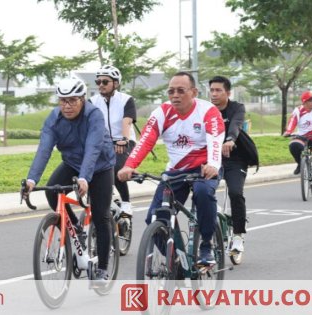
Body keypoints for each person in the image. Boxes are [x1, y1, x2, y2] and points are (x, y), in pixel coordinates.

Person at [118, 72, 225, 265]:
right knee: (153, 219)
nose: (175, 95)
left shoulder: (208, 111)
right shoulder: (161, 113)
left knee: (203, 193)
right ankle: (176, 261)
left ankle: (207, 245)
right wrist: (129, 165)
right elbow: (145, 141)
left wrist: (213, 165)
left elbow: (216, 141)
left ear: (194, 92)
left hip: (204, 169)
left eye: (180, 91)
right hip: (175, 172)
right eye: (171, 91)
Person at [24, 78, 116, 285]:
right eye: (62, 100)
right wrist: (31, 179)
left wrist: (84, 178)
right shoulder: (54, 119)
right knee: (52, 190)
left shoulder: (94, 115)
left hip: (100, 166)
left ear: (83, 99)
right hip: (72, 163)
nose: (67, 105)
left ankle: (102, 268)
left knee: (101, 216)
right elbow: (44, 150)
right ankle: (76, 227)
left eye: (72, 100)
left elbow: (93, 148)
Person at [90, 65, 137, 217]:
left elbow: (127, 122)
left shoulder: (126, 100)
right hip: (102, 142)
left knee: (115, 167)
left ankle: (126, 203)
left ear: (115, 84)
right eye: (98, 82)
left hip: (122, 141)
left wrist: (123, 139)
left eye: (105, 82)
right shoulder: (93, 101)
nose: (100, 85)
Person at [209, 75, 248, 253]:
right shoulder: (206, 109)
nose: (214, 94)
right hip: (212, 158)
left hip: (235, 157)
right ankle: (215, 221)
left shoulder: (237, 108)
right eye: (212, 90)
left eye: (218, 90)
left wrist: (230, 139)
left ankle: (238, 235)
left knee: (235, 193)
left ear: (228, 92)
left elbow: (236, 124)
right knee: (201, 191)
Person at [283, 91, 312, 191]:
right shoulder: (298, 110)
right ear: (304, 102)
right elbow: (293, 121)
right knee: (293, 145)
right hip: (302, 136)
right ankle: (300, 163)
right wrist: (288, 131)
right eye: (310, 100)